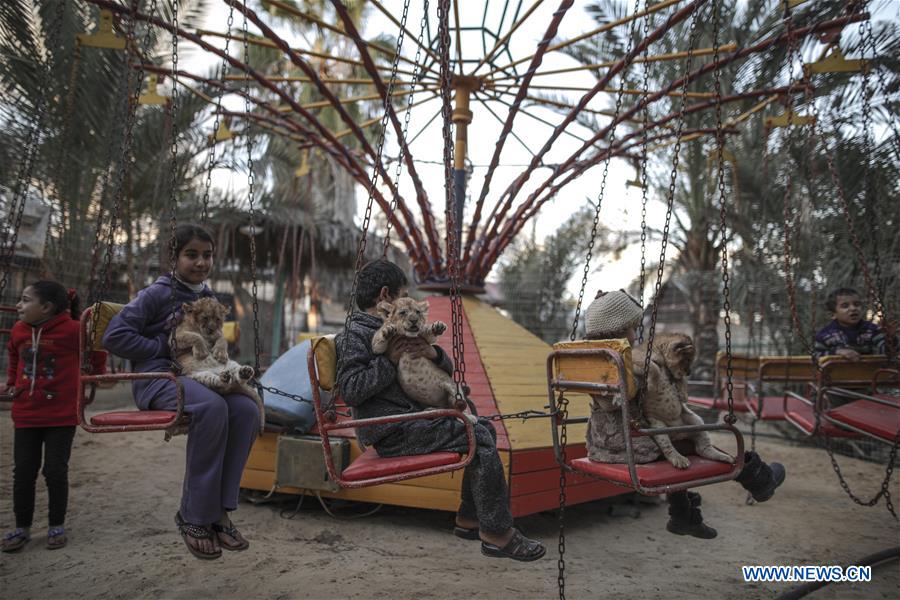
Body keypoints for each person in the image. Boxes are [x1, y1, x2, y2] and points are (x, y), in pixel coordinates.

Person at [336, 259, 546, 561]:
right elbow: (351, 389)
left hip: (412, 420)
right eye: (403, 294)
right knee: (478, 436)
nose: (409, 305)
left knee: (483, 428)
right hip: (391, 431)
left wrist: (432, 352)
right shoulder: (356, 335)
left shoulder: (404, 328)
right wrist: (388, 361)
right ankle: (498, 534)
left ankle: (470, 519)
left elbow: (437, 364)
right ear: (385, 296)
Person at [102, 224, 259, 560]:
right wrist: (163, 344)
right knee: (213, 408)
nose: (201, 262)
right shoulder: (156, 294)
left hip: (198, 376)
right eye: (191, 255)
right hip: (158, 379)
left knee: (246, 411)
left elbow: (213, 341)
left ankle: (220, 510)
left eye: (207, 255)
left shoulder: (208, 298)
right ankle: (194, 515)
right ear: (173, 258)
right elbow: (114, 337)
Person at [583, 290, 786, 539]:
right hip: (633, 444)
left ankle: (683, 515)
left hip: (602, 441)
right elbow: (617, 398)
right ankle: (759, 481)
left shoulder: (590, 358)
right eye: (633, 328)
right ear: (620, 328)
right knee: (695, 441)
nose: (637, 335)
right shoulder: (622, 361)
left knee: (679, 440)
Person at [2, 282, 101, 552]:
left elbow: (95, 347)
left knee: (55, 471)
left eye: (25, 300)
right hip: (26, 414)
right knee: (23, 473)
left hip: (61, 415)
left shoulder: (71, 330)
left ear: (46, 307)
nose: (19, 306)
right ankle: (22, 527)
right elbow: (13, 355)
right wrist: (12, 381)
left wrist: (97, 374)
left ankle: (55, 525)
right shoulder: (19, 330)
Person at [813, 287, 897, 362]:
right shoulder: (825, 335)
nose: (853, 308)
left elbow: (885, 352)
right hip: (837, 376)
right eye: (845, 306)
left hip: (870, 375)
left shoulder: (872, 330)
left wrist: (890, 338)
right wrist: (836, 352)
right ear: (833, 315)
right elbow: (815, 357)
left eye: (857, 304)